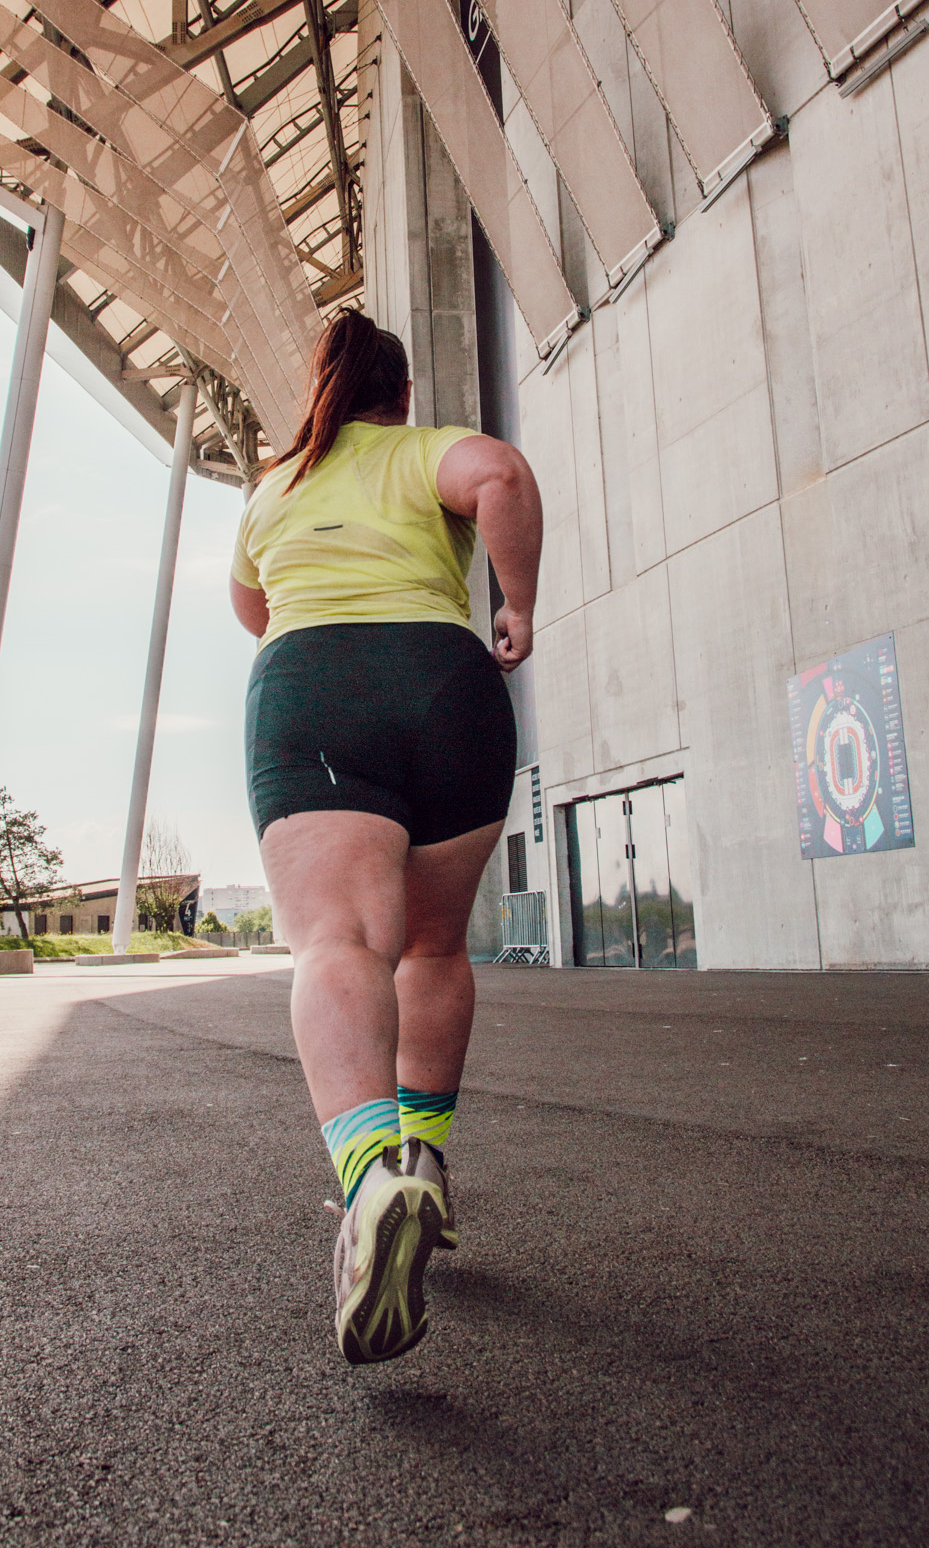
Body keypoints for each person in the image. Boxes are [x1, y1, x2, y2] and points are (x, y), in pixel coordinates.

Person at [230, 309, 542, 1365]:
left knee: (338, 940)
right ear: (399, 395)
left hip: (315, 686)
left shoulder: (271, 488)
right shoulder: (422, 453)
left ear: (320, 393)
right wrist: (516, 606)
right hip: (448, 685)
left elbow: (251, 606)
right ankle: (427, 1158)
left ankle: (370, 1178)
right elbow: (498, 472)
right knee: (435, 946)